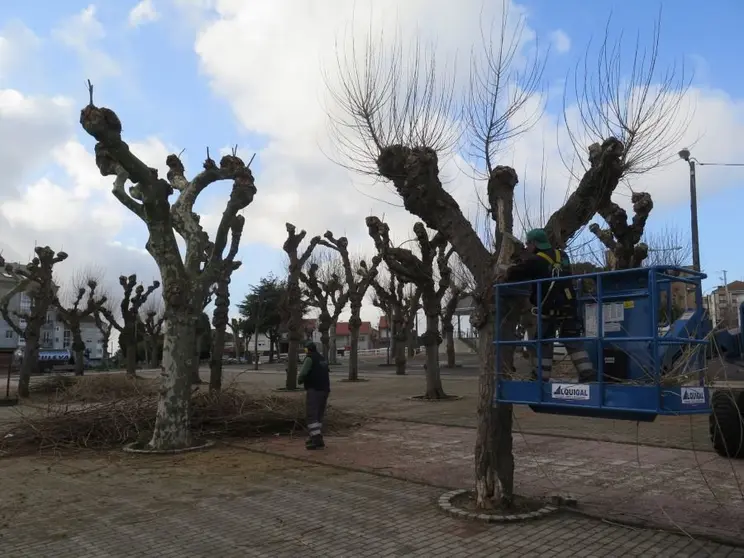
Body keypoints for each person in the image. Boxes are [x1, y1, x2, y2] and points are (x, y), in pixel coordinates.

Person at [505, 228, 595, 383]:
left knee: (544, 342)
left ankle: (541, 377)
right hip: (569, 304)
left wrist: (507, 267)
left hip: (549, 306)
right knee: (573, 340)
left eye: (528, 244)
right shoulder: (563, 255)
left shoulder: (536, 260)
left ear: (533, 243)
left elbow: (513, 274)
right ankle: (588, 375)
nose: (527, 247)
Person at [298, 340, 331, 450]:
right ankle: (315, 436)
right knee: (319, 415)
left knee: (312, 415)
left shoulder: (309, 358)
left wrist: (300, 380)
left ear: (308, 349)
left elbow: (303, 373)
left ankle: (316, 440)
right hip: (325, 390)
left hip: (314, 389)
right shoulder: (322, 359)